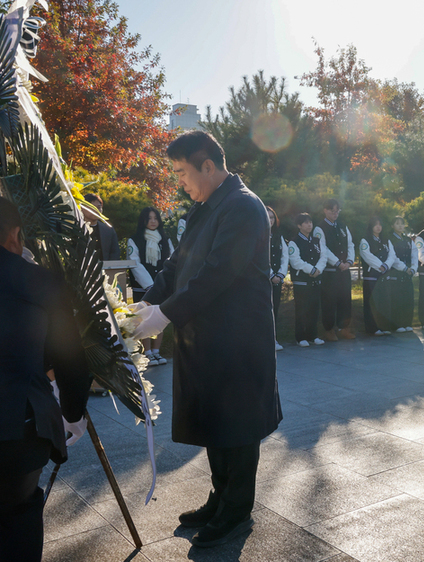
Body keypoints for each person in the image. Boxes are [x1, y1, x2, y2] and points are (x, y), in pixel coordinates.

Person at [133, 131, 282, 548]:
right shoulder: (204, 207)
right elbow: (175, 265)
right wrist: (145, 305)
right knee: (216, 425)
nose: (180, 181)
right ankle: (220, 500)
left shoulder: (243, 207)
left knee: (238, 427)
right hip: (206, 340)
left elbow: (216, 274)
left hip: (238, 342)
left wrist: (164, 316)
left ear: (209, 167)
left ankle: (236, 512)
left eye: (182, 172)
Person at [0, 196, 92, 562]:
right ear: (15, 235)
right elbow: (71, 359)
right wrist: (73, 414)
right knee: (18, 514)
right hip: (17, 425)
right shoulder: (38, 281)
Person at [127, 206, 175, 366]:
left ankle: (156, 351)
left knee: (159, 316)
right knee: (143, 318)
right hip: (143, 288)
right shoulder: (135, 239)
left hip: (161, 288)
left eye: (155, 218)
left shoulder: (165, 238)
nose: (153, 221)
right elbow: (135, 264)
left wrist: (161, 285)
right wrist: (149, 285)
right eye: (149, 218)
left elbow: (172, 261)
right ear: (143, 221)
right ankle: (146, 353)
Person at [314, 199, 355, 341]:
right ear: (325, 210)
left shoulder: (343, 226)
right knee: (329, 301)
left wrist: (349, 261)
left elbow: (350, 244)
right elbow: (322, 248)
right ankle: (329, 330)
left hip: (344, 271)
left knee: (345, 300)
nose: (335, 213)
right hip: (330, 273)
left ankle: (343, 328)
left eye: (337, 210)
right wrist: (337, 263)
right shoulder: (320, 228)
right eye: (332, 210)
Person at [288, 213, 327, 347]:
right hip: (302, 281)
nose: (309, 225)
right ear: (299, 225)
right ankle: (301, 337)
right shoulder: (294, 242)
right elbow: (295, 261)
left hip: (315, 281)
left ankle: (313, 335)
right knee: (301, 310)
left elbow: (323, 257)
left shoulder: (316, 241)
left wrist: (318, 269)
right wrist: (311, 269)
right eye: (305, 222)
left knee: (314, 310)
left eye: (310, 222)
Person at [359, 216, 396, 335]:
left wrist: (386, 266)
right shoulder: (365, 240)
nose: (378, 227)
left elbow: (392, 255)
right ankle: (372, 328)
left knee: (384, 301)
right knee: (372, 303)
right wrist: (380, 265)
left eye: (380, 224)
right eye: (376, 224)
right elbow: (367, 256)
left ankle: (384, 326)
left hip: (384, 276)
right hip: (371, 276)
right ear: (371, 227)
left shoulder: (386, 240)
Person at [385, 216, 416, 333]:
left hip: (408, 273)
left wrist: (413, 268)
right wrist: (404, 268)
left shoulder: (408, 240)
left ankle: (407, 323)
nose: (400, 226)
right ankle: (397, 324)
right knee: (397, 299)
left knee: (408, 299)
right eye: (397, 223)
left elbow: (414, 254)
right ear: (392, 226)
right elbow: (393, 257)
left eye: (402, 224)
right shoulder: (389, 239)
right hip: (396, 272)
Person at [266, 207, 289, 351]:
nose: (270, 221)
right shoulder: (258, 235)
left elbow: (284, 257)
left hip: (277, 280)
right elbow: (257, 258)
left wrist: (280, 275)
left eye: (272, 218)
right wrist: (270, 275)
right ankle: (264, 341)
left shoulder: (279, 236)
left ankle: (274, 340)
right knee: (264, 311)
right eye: (267, 217)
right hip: (263, 280)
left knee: (275, 309)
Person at [82, 192, 120, 261]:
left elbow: (115, 253)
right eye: (92, 207)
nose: (97, 210)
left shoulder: (108, 229)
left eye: (99, 207)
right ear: (82, 208)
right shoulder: (76, 227)